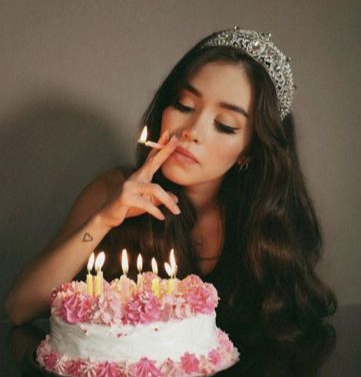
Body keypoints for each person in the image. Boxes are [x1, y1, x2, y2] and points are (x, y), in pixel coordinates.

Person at [5, 28, 336, 346]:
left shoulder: (266, 224)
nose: (191, 131)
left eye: (225, 125)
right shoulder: (113, 189)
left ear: (249, 150)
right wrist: (105, 219)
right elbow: (19, 309)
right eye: (184, 106)